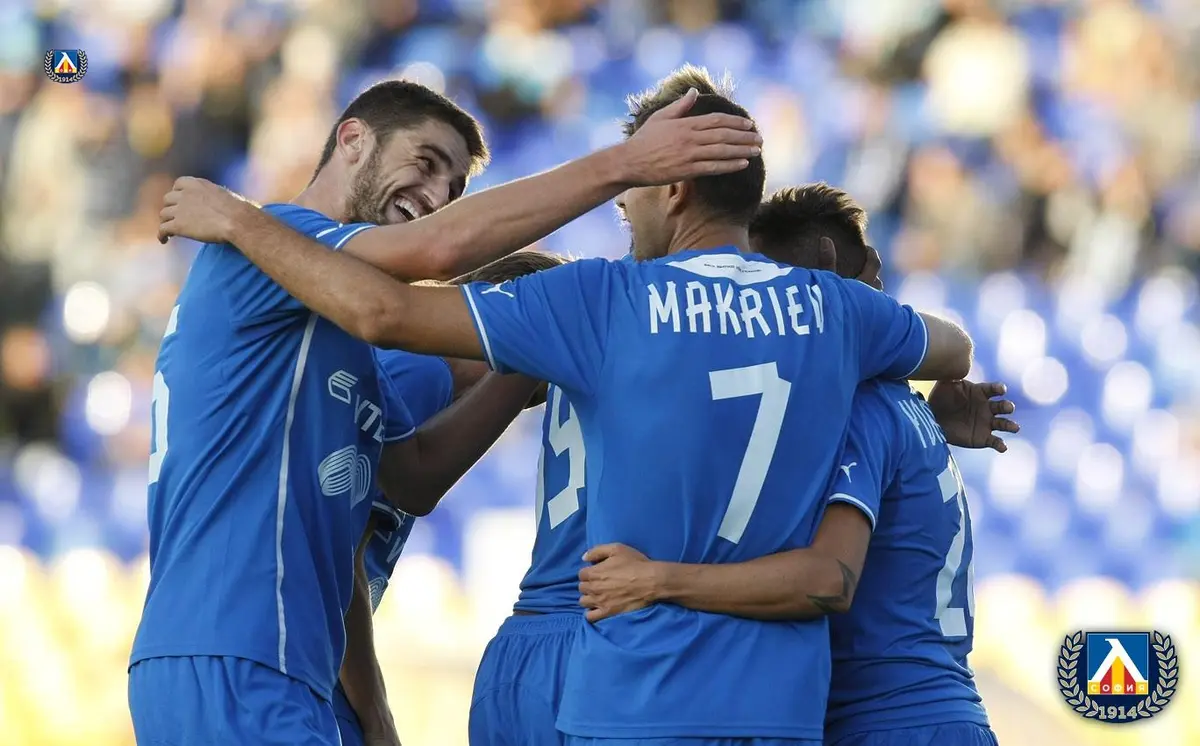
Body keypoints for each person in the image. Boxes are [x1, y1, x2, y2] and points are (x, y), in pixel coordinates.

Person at [154, 71, 974, 744]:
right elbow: (945, 356)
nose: (437, 195)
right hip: (751, 680)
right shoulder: (836, 318)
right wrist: (908, 408)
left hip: (593, 664)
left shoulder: (596, 302)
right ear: (351, 138)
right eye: (428, 163)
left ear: (671, 186)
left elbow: (408, 454)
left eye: (631, 195)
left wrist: (236, 219)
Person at [575, 184, 1008, 746]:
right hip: (942, 711)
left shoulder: (854, 406)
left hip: (888, 721)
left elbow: (829, 579)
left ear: (822, 267)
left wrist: (657, 580)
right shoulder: (902, 404)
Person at [337, 249, 568, 746]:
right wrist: (376, 716)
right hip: (306, 662)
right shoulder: (421, 374)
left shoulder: (418, 374)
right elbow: (339, 557)